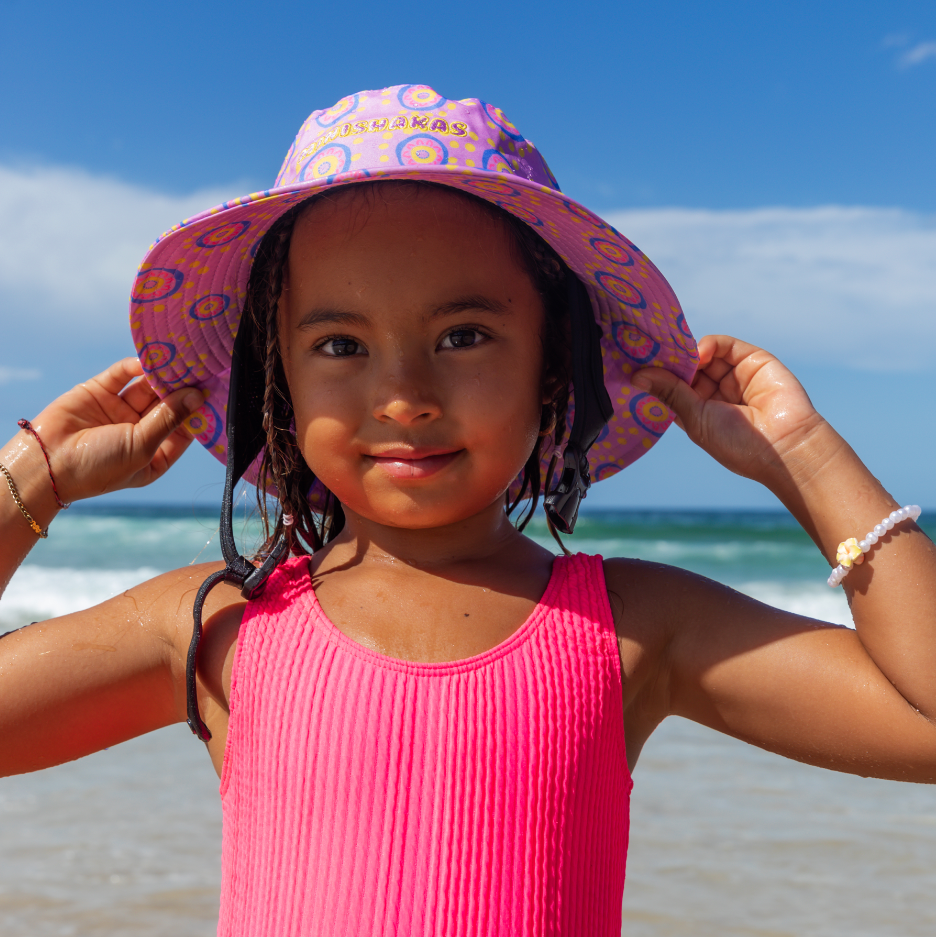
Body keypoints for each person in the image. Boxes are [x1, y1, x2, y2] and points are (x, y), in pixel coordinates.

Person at [1, 84, 935, 936]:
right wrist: (30, 479)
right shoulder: (219, 629)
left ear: (554, 363)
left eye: (464, 334)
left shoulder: (635, 627)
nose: (402, 392)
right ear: (279, 379)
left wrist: (805, 461)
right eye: (339, 343)